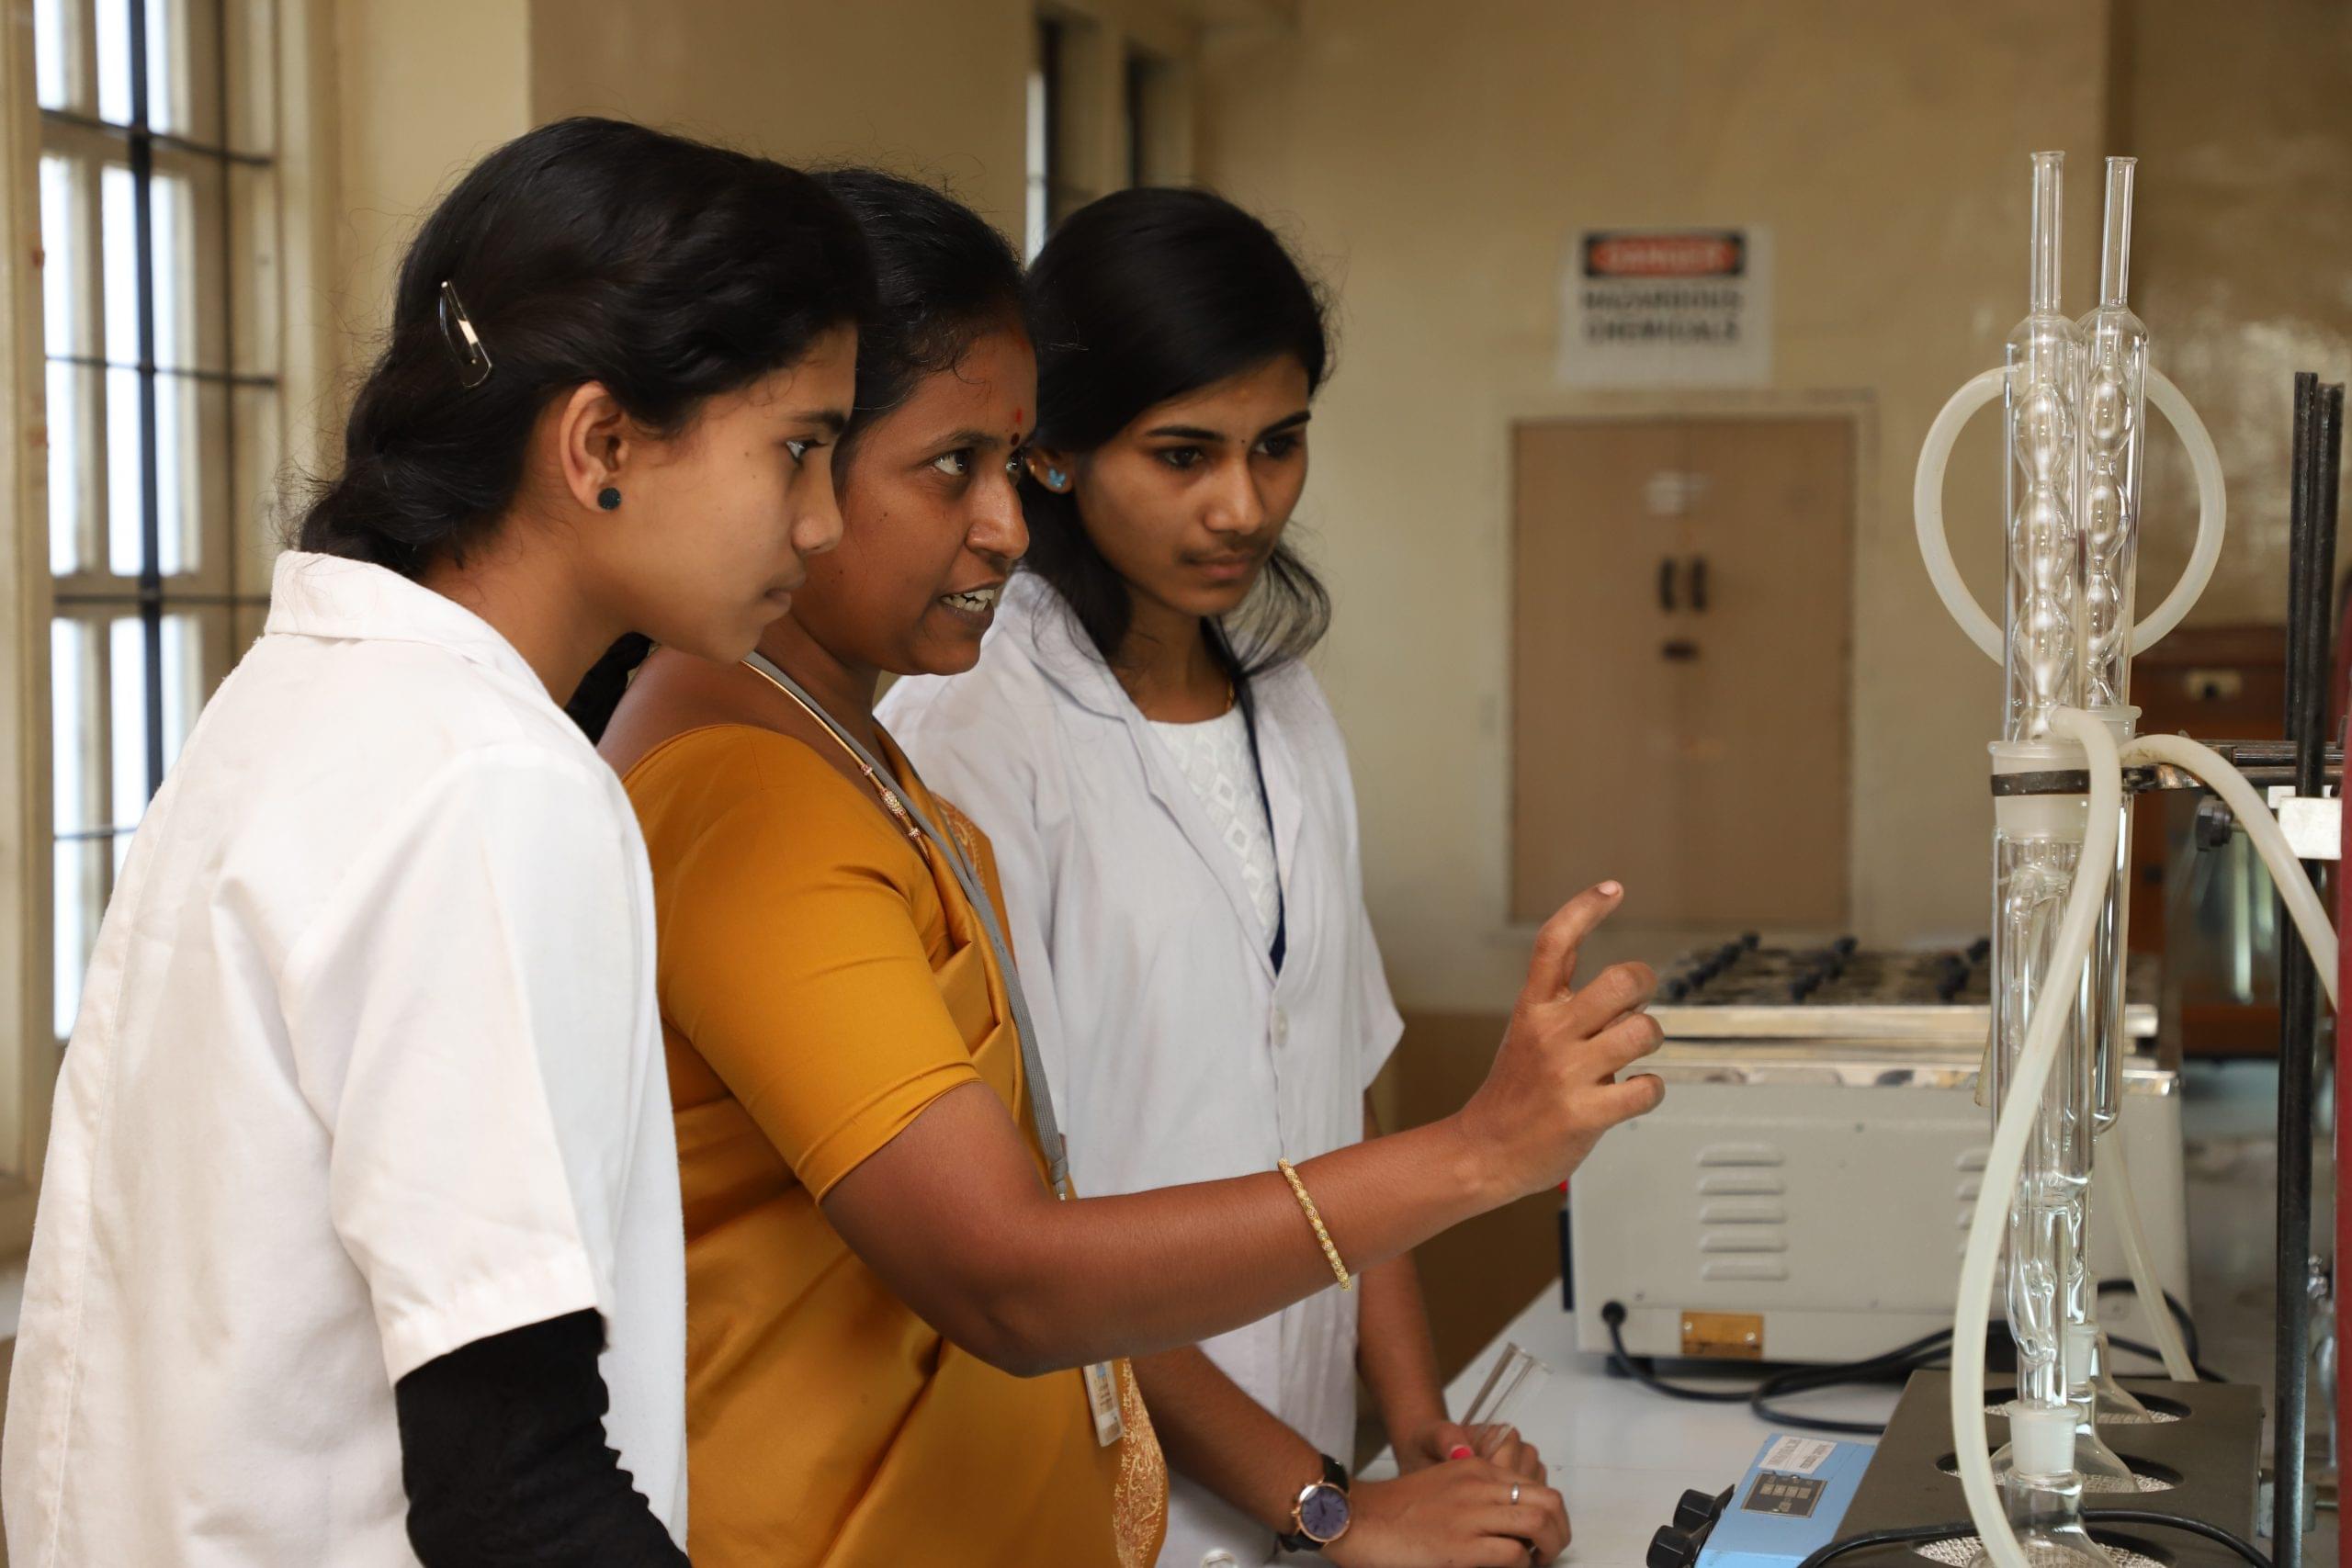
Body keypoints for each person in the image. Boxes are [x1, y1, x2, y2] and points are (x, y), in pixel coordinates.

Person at [592, 170, 1655, 1568]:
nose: (1006, 527)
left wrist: (1414, 1442)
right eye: (952, 466)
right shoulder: (834, 759)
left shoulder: (872, 760)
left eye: (1279, 446)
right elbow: (1019, 1267)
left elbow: (1309, 1104)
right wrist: (1476, 1160)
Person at [2, 118, 869, 1567]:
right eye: (799, 449)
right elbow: (512, 1494)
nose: (827, 522)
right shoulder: (485, 782)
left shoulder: (309, 700)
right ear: (599, 443)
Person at [881, 184, 1544, 1568]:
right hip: (1102, 1502)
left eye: (1278, 446)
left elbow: (1349, 1113)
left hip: (1302, 1483)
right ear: (1051, 451)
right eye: (1182, 454)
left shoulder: (1285, 708)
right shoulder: (973, 734)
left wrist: (1421, 1437)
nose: (1242, 506)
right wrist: (1326, 1503)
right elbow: (1033, 1226)